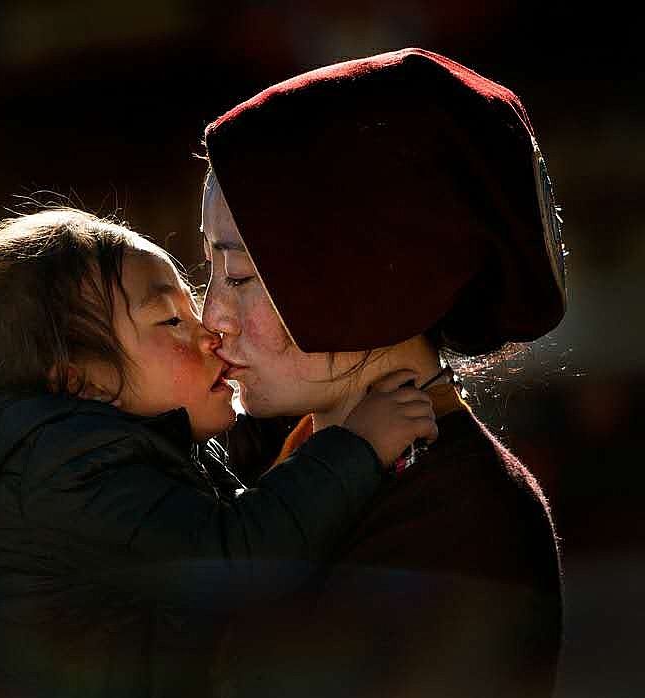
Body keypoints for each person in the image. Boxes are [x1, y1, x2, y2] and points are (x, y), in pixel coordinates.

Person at [0, 207, 439, 697]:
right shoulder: (73, 478)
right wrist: (357, 444)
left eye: (192, 306)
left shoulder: (105, 456)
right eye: (170, 320)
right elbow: (234, 559)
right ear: (79, 379)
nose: (209, 332)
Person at [198, 47, 567, 697]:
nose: (212, 318)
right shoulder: (310, 461)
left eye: (242, 275)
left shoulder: (466, 524)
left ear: (360, 277)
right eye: (210, 269)